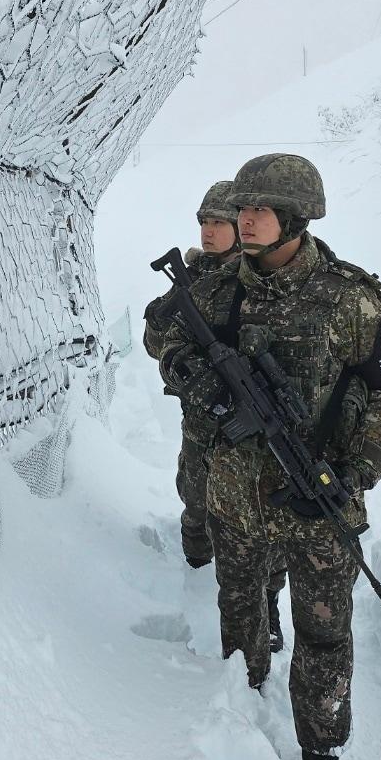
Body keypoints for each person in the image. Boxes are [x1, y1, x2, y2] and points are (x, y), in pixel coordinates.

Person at [156, 153, 381, 760]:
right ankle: (240, 713)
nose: (244, 220)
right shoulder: (216, 289)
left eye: (259, 210)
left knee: (324, 634)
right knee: (240, 610)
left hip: (318, 500)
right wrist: (193, 375)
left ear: (296, 217)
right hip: (237, 497)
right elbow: (162, 335)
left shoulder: (350, 299)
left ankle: (321, 753)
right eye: (240, 209)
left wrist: (355, 474)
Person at [143, 181, 239, 569]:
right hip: (201, 413)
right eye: (204, 221)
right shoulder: (191, 276)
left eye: (219, 222)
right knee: (196, 494)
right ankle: (195, 568)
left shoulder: (256, 279)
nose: (208, 231)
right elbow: (155, 346)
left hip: (243, 417)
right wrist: (163, 316)